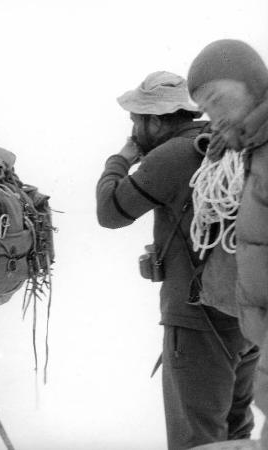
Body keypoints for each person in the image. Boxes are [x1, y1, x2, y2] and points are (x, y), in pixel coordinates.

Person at [96, 71, 259, 450]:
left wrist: (120, 160)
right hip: (246, 313)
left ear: (156, 120)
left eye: (136, 120)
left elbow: (109, 212)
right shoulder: (226, 145)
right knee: (236, 430)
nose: (134, 130)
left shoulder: (172, 156)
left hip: (197, 321)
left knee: (196, 438)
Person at [187, 39, 268, 449]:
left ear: (254, 83)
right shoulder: (252, 151)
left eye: (217, 99)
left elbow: (111, 212)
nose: (213, 118)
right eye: (205, 108)